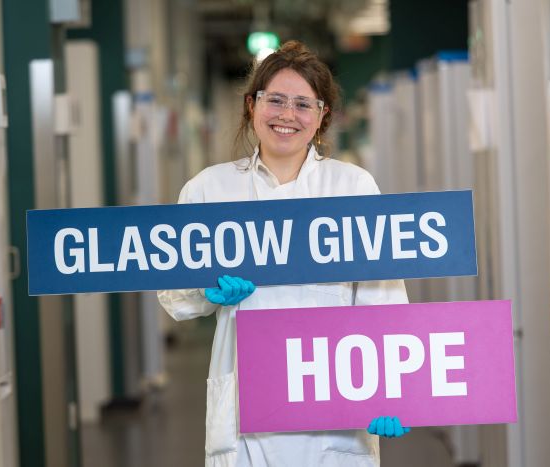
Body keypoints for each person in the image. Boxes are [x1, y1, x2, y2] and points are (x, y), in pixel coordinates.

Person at [158, 40, 410, 467]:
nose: (287, 115)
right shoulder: (209, 189)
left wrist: (390, 391)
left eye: (303, 104)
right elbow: (174, 297)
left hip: (335, 410)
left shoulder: (352, 187)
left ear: (322, 115)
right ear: (251, 105)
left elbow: (382, 301)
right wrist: (205, 289)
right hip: (245, 414)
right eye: (275, 100)